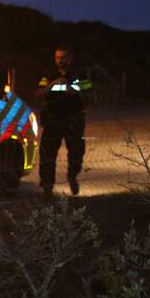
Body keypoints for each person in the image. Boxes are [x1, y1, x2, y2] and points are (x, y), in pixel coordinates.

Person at [35, 45, 93, 197]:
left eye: (63, 57)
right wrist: (51, 86)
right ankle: (47, 187)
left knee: (76, 152)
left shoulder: (79, 74)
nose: (59, 60)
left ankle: (72, 176)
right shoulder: (48, 74)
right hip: (52, 121)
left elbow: (90, 94)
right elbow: (38, 93)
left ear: (70, 58)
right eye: (57, 57)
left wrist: (75, 90)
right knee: (47, 155)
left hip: (73, 121)